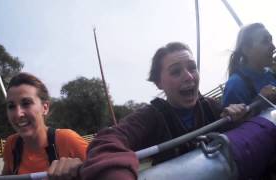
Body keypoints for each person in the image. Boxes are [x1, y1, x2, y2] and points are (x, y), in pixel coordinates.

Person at [80, 42, 248, 180]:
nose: (189, 76)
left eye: (192, 67)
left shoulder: (210, 107)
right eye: (176, 71)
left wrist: (237, 117)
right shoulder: (151, 117)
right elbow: (107, 140)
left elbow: (241, 134)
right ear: (159, 83)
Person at [0, 72, 88, 180]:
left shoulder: (67, 139)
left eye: (26, 103)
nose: (18, 114)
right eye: (11, 106)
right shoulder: (12, 144)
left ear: (44, 108)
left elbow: (104, 167)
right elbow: (7, 177)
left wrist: (80, 171)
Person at [223, 23, 276, 107]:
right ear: (246, 49)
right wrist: (259, 101)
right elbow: (234, 119)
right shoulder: (235, 86)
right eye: (265, 41)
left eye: (271, 40)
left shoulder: (269, 73)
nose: (273, 47)